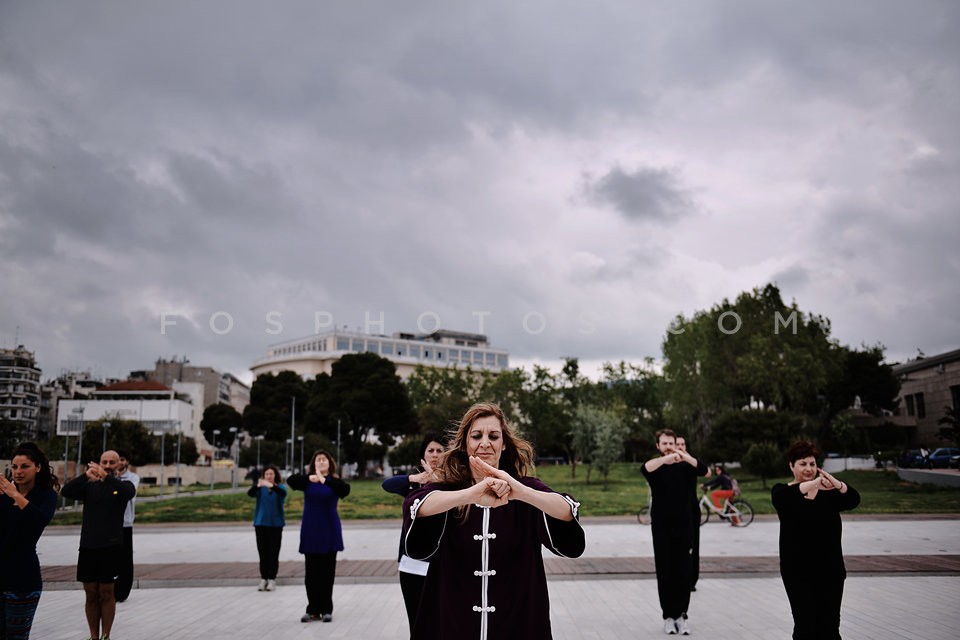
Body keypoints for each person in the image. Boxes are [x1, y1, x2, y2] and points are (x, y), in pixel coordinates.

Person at [403, 402, 585, 640]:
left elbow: (568, 510)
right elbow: (416, 506)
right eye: (476, 436)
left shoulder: (525, 488)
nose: (485, 443)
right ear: (465, 443)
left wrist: (521, 492)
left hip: (516, 624)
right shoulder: (448, 490)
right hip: (454, 622)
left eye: (494, 436)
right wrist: (470, 494)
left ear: (504, 443)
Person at [772, 440, 860, 640]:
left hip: (831, 571)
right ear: (791, 465)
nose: (809, 469)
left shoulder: (829, 495)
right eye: (803, 464)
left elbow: (854, 499)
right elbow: (784, 497)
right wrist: (815, 484)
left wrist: (837, 484)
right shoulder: (783, 493)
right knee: (805, 627)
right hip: (798, 573)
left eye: (812, 464)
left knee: (830, 628)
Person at [60, 450, 136, 640]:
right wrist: (85, 476)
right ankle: (93, 636)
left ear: (119, 464)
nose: (108, 465)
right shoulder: (89, 486)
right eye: (104, 462)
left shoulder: (123, 485)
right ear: (99, 463)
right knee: (91, 593)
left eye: (112, 462)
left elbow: (129, 493)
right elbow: (66, 491)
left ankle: (105, 635)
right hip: (88, 546)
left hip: (111, 547)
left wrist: (106, 478)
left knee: (107, 592)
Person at [641, 428, 707, 636]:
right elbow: (644, 468)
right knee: (665, 573)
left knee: (683, 573)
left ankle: (681, 616)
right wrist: (666, 459)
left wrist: (684, 456)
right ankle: (668, 617)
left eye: (672, 443)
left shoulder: (686, 467)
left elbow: (704, 470)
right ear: (658, 446)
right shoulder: (656, 467)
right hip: (661, 529)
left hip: (684, 527)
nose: (669, 447)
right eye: (665, 443)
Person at [381, 432, 445, 633]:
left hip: (440, 564)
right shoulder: (414, 484)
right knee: (417, 625)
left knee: (440, 624)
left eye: (439, 450)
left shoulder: (452, 483)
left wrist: (438, 482)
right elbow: (386, 484)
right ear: (423, 455)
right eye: (430, 450)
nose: (435, 455)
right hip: (412, 565)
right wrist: (416, 478)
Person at [0, 442, 59, 639]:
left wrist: (14, 494)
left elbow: (39, 520)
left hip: (23, 580)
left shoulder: (46, 495)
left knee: (16, 636)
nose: (18, 471)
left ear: (38, 467)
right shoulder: (3, 495)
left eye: (24, 466)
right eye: (14, 467)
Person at [287, 450, 350, 623]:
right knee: (311, 573)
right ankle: (313, 610)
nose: (321, 462)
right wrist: (310, 478)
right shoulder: (307, 481)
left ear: (330, 464)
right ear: (313, 464)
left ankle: (326, 609)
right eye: (318, 460)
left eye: (324, 460)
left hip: (329, 530)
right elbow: (291, 481)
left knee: (327, 572)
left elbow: (345, 490)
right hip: (311, 531)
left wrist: (325, 480)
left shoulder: (334, 482)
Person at [675, 436, 708, 592]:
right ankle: (677, 578)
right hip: (676, 511)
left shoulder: (691, 463)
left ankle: (691, 580)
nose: (680, 446)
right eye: (677, 444)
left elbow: (706, 472)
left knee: (693, 546)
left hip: (692, 510)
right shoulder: (669, 464)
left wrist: (687, 457)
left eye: (683, 444)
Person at [247, 464, 287, 591]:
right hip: (261, 524)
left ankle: (272, 579)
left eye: (271, 474)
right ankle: (263, 578)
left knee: (273, 552)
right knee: (263, 552)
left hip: (276, 525)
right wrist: (257, 485)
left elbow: (282, 493)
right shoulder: (260, 489)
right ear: (263, 476)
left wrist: (272, 486)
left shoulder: (280, 488)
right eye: (267, 474)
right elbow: (250, 493)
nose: (269, 476)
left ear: (275, 475)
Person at [113, 451, 140, 603]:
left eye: (122, 460)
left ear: (126, 461)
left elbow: (127, 493)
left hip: (125, 524)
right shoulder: (108, 477)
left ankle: (123, 591)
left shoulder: (133, 478)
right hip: (110, 524)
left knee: (125, 560)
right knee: (112, 558)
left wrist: (113, 482)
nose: (120, 463)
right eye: (117, 460)